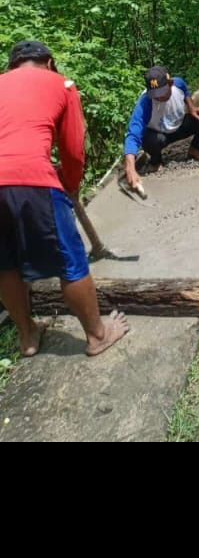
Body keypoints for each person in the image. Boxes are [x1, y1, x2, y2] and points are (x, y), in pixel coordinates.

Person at [0, 40, 129, 357]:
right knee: (71, 261)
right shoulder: (62, 84)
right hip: (32, 179)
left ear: (12, 66)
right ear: (49, 62)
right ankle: (97, 335)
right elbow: (73, 148)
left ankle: (27, 335)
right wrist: (69, 183)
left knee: (5, 265)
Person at [123, 64, 199, 190]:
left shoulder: (178, 83)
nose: (159, 97)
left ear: (170, 83)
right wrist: (130, 168)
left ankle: (196, 149)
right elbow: (133, 134)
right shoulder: (145, 102)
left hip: (179, 126)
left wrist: (192, 107)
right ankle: (156, 161)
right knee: (150, 140)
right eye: (155, 94)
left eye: (162, 92)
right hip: (159, 135)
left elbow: (185, 90)